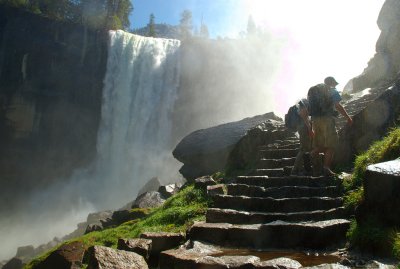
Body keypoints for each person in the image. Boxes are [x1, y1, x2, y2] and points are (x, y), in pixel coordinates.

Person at [309, 76, 353, 176]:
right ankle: (326, 168)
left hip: (315, 120)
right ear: (332, 83)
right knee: (331, 145)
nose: (335, 85)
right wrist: (347, 117)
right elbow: (337, 105)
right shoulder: (331, 90)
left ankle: (311, 156)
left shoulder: (315, 91)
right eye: (335, 83)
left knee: (320, 145)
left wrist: (311, 126)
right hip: (327, 119)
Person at [291, 98, 314, 176]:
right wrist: (309, 129)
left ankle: (304, 169)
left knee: (305, 149)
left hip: (301, 128)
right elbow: (305, 117)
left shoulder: (300, 104)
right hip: (304, 128)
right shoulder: (304, 104)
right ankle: (295, 170)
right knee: (303, 149)